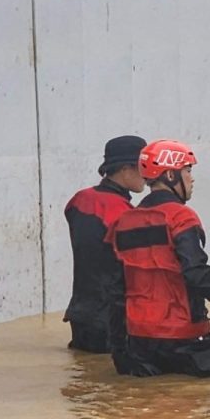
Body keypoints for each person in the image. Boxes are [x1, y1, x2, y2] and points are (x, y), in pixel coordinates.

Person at [107, 140, 210, 379]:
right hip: (185, 337)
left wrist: (119, 349)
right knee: (207, 403)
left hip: (139, 341)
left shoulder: (123, 222)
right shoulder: (181, 217)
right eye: (188, 171)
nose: (192, 179)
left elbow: (115, 289)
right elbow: (196, 272)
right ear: (171, 176)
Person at [61, 135, 146, 352]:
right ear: (125, 170)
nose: (147, 175)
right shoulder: (123, 213)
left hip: (80, 313)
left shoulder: (79, 200)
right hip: (111, 317)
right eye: (142, 167)